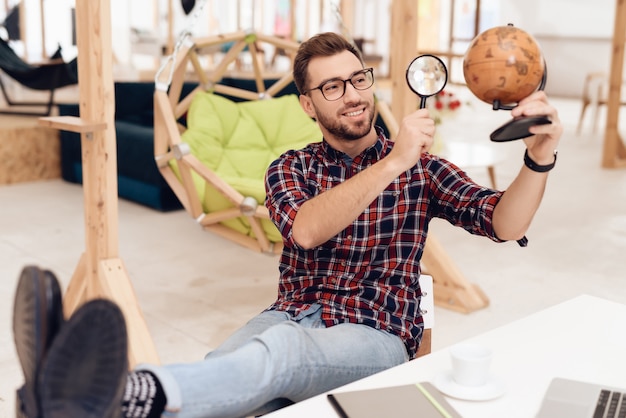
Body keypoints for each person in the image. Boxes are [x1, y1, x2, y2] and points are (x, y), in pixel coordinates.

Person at [12, 32, 562, 418]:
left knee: (281, 356)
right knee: (229, 374)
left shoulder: (423, 168)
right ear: (307, 105)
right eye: (332, 87)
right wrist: (394, 161)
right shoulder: (290, 168)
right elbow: (305, 230)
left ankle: (114, 394)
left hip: (377, 334)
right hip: (292, 315)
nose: (352, 94)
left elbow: (503, 223)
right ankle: (69, 403)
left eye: (358, 79)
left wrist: (539, 157)